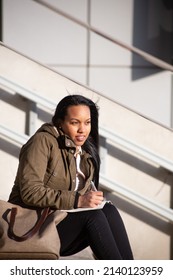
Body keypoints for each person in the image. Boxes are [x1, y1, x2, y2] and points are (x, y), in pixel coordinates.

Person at [8, 94, 133, 260]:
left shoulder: (82, 152)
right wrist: (78, 200)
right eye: (75, 122)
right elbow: (31, 192)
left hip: (59, 222)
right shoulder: (42, 142)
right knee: (93, 217)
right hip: (30, 227)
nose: (83, 129)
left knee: (108, 210)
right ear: (60, 122)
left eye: (87, 122)